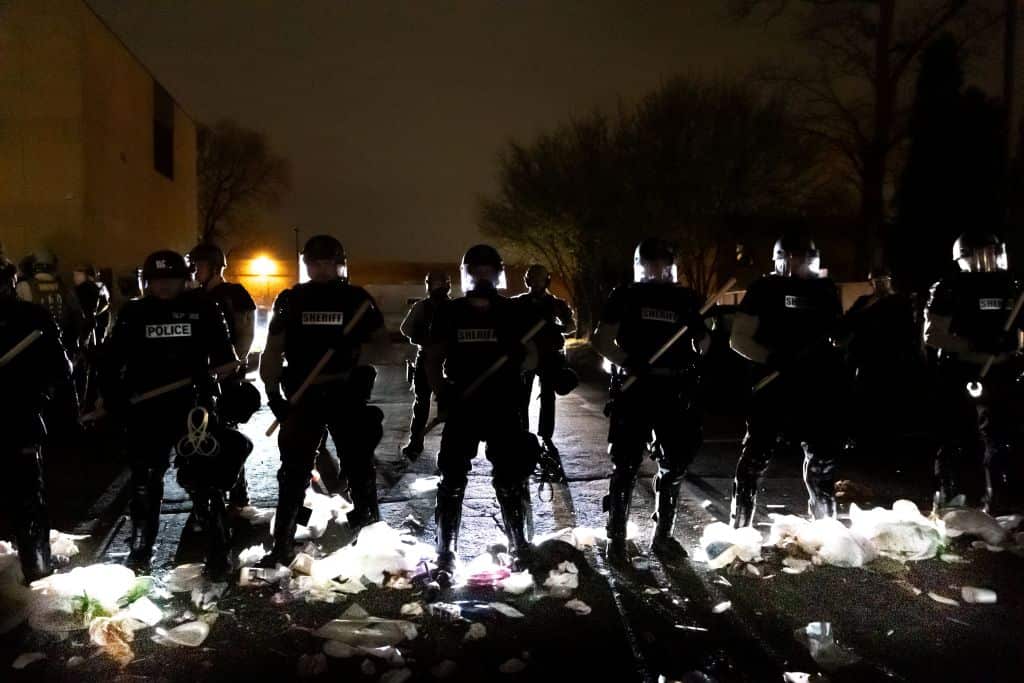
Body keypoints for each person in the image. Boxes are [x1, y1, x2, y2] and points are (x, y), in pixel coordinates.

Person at [98, 250, 240, 574]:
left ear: (183, 279)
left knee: (206, 479)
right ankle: (140, 547)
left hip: (193, 407)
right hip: (146, 410)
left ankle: (219, 547)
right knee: (145, 480)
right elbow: (111, 362)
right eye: (156, 280)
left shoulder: (204, 308)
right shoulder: (133, 313)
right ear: (147, 283)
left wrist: (225, 383)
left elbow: (225, 360)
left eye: (170, 279)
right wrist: (112, 396)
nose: (163, 286)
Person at [259, 235, 389, 567]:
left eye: (327, 263)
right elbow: (273, 350)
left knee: (359, 465)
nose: (320, 269)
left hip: (345, 391)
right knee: (293, 471)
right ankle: (282, 544)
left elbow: (383, 345)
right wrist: (274, 396)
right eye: (314, 264)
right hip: (304, 394)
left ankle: (370, 535)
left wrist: (356, 350)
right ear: (307, 266)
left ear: (339, 264)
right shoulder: (291, 300)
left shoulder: (357, 300)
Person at [425, 244, 541, 587]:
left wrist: (522, 359)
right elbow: (432, 358)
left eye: (489, 271)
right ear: (468, 275)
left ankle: (520, 545)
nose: (484, 277)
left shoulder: (512, 312)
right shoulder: (450, 312)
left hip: (503, 403)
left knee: (511, 478)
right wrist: (442, 392)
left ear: (498, 274)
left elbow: (533, 356)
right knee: (451, 481)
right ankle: (445, 553)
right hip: (463, 402)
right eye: (478, 271)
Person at [592, 239, 710, 565]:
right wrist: (628, 360)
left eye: (663, 264)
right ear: (642, 265)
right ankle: (616, 538)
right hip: (636, 388)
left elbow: (704, 342)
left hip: (675, 388)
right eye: (652, 264)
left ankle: (664, 536)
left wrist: (702, 339)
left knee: (675, 464)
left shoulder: (685, 299)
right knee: (626, 464)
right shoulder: (625, 295)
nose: (658, 270)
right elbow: (601, 339)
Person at [728, 233, 846, 527]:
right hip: (773, 384)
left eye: (806, 259)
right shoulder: (763, 289)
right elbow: (738, 338)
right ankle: (740, 524)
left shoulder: (825, 290)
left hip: (815, 387)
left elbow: (835, 334)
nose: (800, 265)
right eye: (794, 258)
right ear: (781, 259)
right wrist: (771, 357)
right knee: (755, 459)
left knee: (822, 462)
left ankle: (825, 527)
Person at [924, 232, 1022, 513]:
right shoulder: (949, 288)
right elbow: (932, 334)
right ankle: (953, 498)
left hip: (1002, 371)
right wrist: (975, 344)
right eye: (983, 253)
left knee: (1001, 437)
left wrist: (1013, 345)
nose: (989, 260)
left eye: (994, 253)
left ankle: (999, 500)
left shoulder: (1010, 286)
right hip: (962, 371)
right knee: (957, 437)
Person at [0, 257, 79, 583]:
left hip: (21, 419)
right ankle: (36, 568)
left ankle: (37, 567)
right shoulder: (34, 316)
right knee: (28, 499)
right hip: (23, 420)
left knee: (28, 498)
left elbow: (61, 371)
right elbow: (62, 371)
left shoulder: (35, 319)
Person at [188, 243, 259, 509]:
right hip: (201, 376)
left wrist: (232, 364)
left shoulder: (234, 294)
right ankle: (203, 494)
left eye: (200, 265)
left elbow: (245, 333)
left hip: (226, 375)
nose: (195, 270)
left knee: (228, 433)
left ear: (214, 267)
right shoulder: (193, 297)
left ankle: (239, 490)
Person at [841, 265, 922, 460]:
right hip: (866, 358)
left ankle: (888, 443)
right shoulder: (864, 301)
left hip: (891, 359)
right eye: (877, 282)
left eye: (884, 281)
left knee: (889, 400)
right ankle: (863, 440)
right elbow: (849, 322)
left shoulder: (899, 302)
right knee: (863, 399)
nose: (881, 285)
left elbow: (908, 331)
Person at [513, 264, 577, 456]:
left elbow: (570, 325)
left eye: (540, 279)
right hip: (527, 354)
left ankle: (546, 435)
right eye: (532, 279)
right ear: (528, 281)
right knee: (521, 397)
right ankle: (523, 433)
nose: (536, 283)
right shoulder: (520, 302)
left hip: (549, 355)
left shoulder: (556, 304)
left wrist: (557, 328)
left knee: (548, 397)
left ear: (546, 281)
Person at [399, 270, 452, 459]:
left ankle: (449, 447)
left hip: (448, 360)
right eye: (435, 284)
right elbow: (406, 329)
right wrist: (422, 337)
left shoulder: (453, 308)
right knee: (422, 402)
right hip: (428, 358)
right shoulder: (422, 307)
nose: (438, 288)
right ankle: (416, 442)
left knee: (448, 406)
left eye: (440, 284)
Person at [16, 248, 85, 359]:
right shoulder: (66, 290)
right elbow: (78, 318)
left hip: (34, 349)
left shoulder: (23, 286)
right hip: (61, 349)